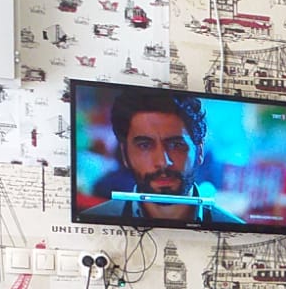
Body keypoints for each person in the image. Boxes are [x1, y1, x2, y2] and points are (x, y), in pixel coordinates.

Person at [83, 90, 245, 226]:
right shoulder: (94, 222)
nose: (163, 162)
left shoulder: (233, 229)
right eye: (144, 146)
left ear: (200, 152)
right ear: (125, 154)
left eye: (176, 145)